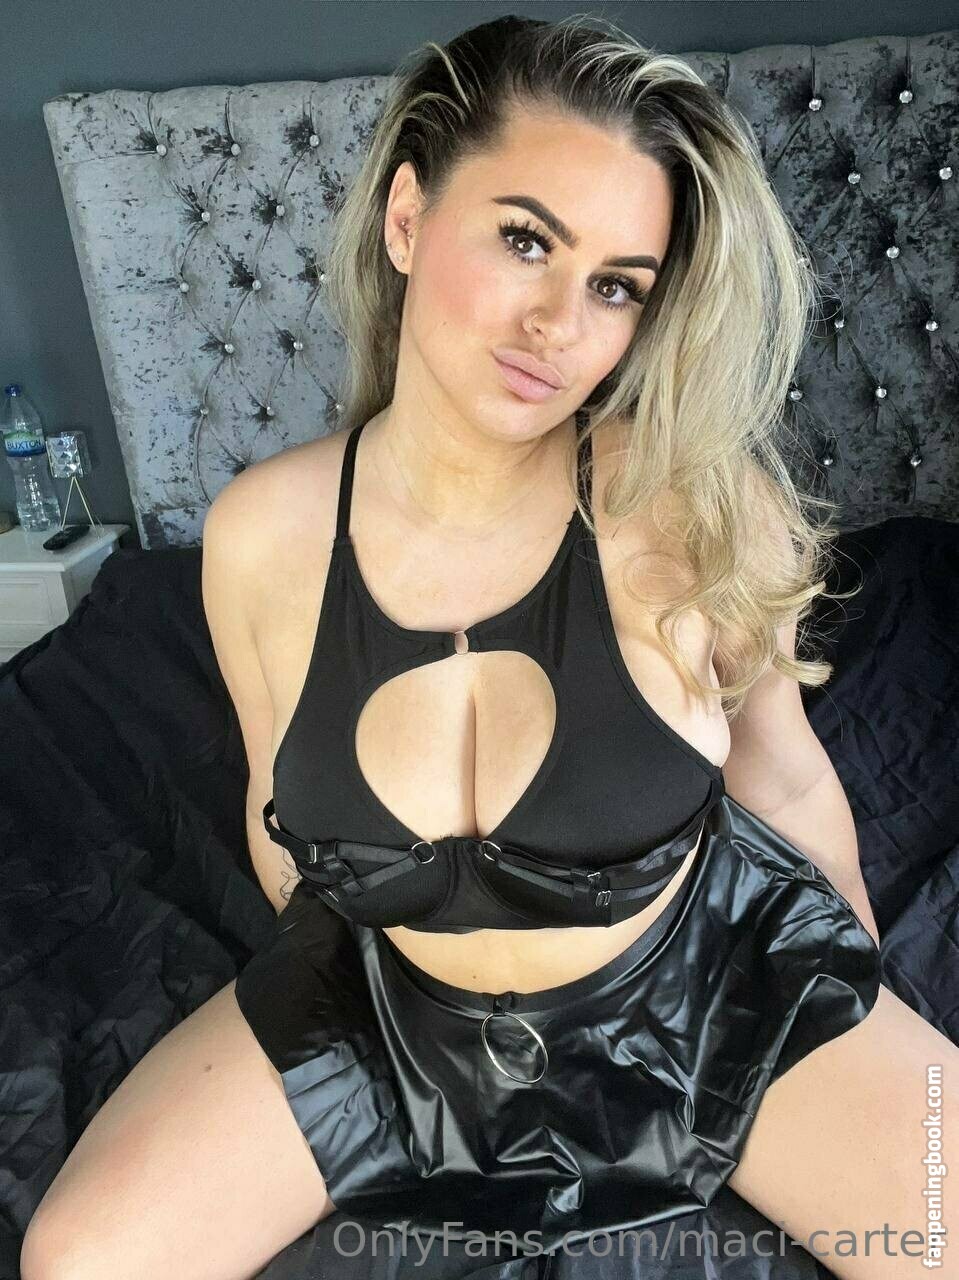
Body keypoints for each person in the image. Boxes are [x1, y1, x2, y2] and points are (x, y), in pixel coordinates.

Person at [20, 13, 957, 1280]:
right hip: (389, 1013)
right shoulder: (260, 534)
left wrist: (862, 991)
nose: (559, 323)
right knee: (79, 1258)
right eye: (525, 240)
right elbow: (276, 821)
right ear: (407, 217)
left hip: (701, 990)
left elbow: (780, 774)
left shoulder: (690, 505)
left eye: (616, 284)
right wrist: (364, 956)